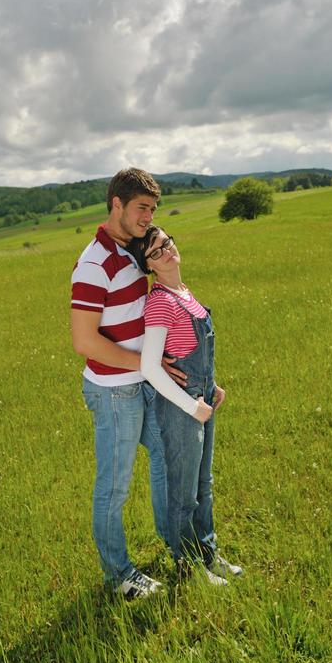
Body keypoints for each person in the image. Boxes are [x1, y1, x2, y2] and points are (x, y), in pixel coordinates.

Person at [70, 168, 183, 599]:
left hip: (144, 382)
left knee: (166, 457)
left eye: (152, 209)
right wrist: (145, 363)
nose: (148, 216)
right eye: (141, 208)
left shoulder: (133, 251)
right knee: (114, 486)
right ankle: (118, 575)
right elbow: (84, 341)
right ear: (116, 204)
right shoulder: (94, 264)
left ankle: (176, 543)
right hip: (115, 391)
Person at [132, 225, 243, 586]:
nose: (166, 250)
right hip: (181, 409)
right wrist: (190, 404)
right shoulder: (161, 301)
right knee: (183, 493)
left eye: (167, 242)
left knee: (203, 484)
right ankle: (189, 567)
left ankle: (208, 554)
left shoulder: (183, 292)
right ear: (148, 266)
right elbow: (150, 366)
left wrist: (213, 386)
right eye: (155, 251)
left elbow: (189, 354)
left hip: (202, 398)